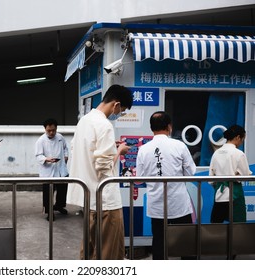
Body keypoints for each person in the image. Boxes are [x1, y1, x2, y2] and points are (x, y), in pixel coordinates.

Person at [66, 84, 133, 260]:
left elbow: (81, 152)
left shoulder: (84, 121)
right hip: (106, 200)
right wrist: (119, 152)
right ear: (116, 104)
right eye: (122, 110)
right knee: (108, 252)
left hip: (88, 197)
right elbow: (104, 167)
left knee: (89, 249)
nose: (120, 113)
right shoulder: (105, 125)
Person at [136, 111, 196, 260]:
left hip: (156, 203)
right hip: (178, 202)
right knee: (186, 241)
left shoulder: (143, 149)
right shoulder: (179, 146)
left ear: (151, 128)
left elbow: (139, 178)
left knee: (159, 241)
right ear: (169, 126)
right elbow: (191, 172)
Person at [209, 124, 252, 223]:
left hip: (219, 195)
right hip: (235, 196)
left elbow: (211, 179)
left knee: (216, 228)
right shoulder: (239, 154)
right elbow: (246, 176)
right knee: (238, 228)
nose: (242, 142)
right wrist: (237, 175)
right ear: (238, 137)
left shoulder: (216, 153)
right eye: (242, 139)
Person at [35, 118, 69, 221]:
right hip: (48, 170)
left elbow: (65, 148)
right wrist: (46, 159)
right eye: (49, 130)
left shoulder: (60, 137)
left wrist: (66, 156)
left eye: (53, 130)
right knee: (48, 192)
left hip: (61, 169)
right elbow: (38, 155)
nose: (51, 132)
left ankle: (59, 206)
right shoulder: (41, 140)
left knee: (62, 189)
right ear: (45, 129)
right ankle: (49, 211)